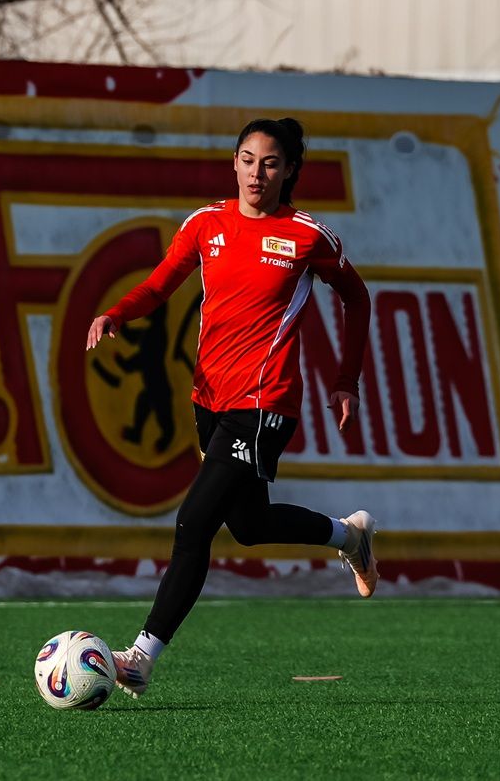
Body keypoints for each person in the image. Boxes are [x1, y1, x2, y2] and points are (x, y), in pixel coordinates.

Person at [84, 117, 378, 699]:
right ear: (234, 161)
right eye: (246, 159)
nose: (255, 173)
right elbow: (160, 284)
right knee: (247, 525)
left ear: (289, 169)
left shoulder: (305, 236)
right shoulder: (205, 224)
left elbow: (357, 298)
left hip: (266, 404)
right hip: (210, 398)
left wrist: (347, 380)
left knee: (194, 523)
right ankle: (349, 536)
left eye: (269, 162)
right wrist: (117, 312)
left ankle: (141, 657)